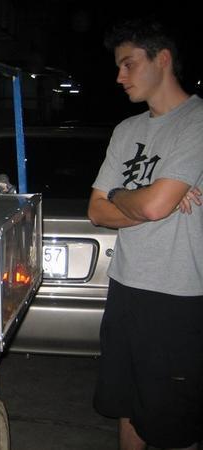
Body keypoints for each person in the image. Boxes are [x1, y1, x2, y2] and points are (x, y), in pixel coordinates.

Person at [87, 17, 203, 450]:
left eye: (129, 64)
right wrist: (139, 197)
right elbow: (97, 211)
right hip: (125, 288)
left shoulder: (197, 121)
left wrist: (147, 201)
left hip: (179, 297)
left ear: (163, 59)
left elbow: (155, 204)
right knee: (127, 404)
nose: (119, 77)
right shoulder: (127, 130)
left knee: (175, 423)